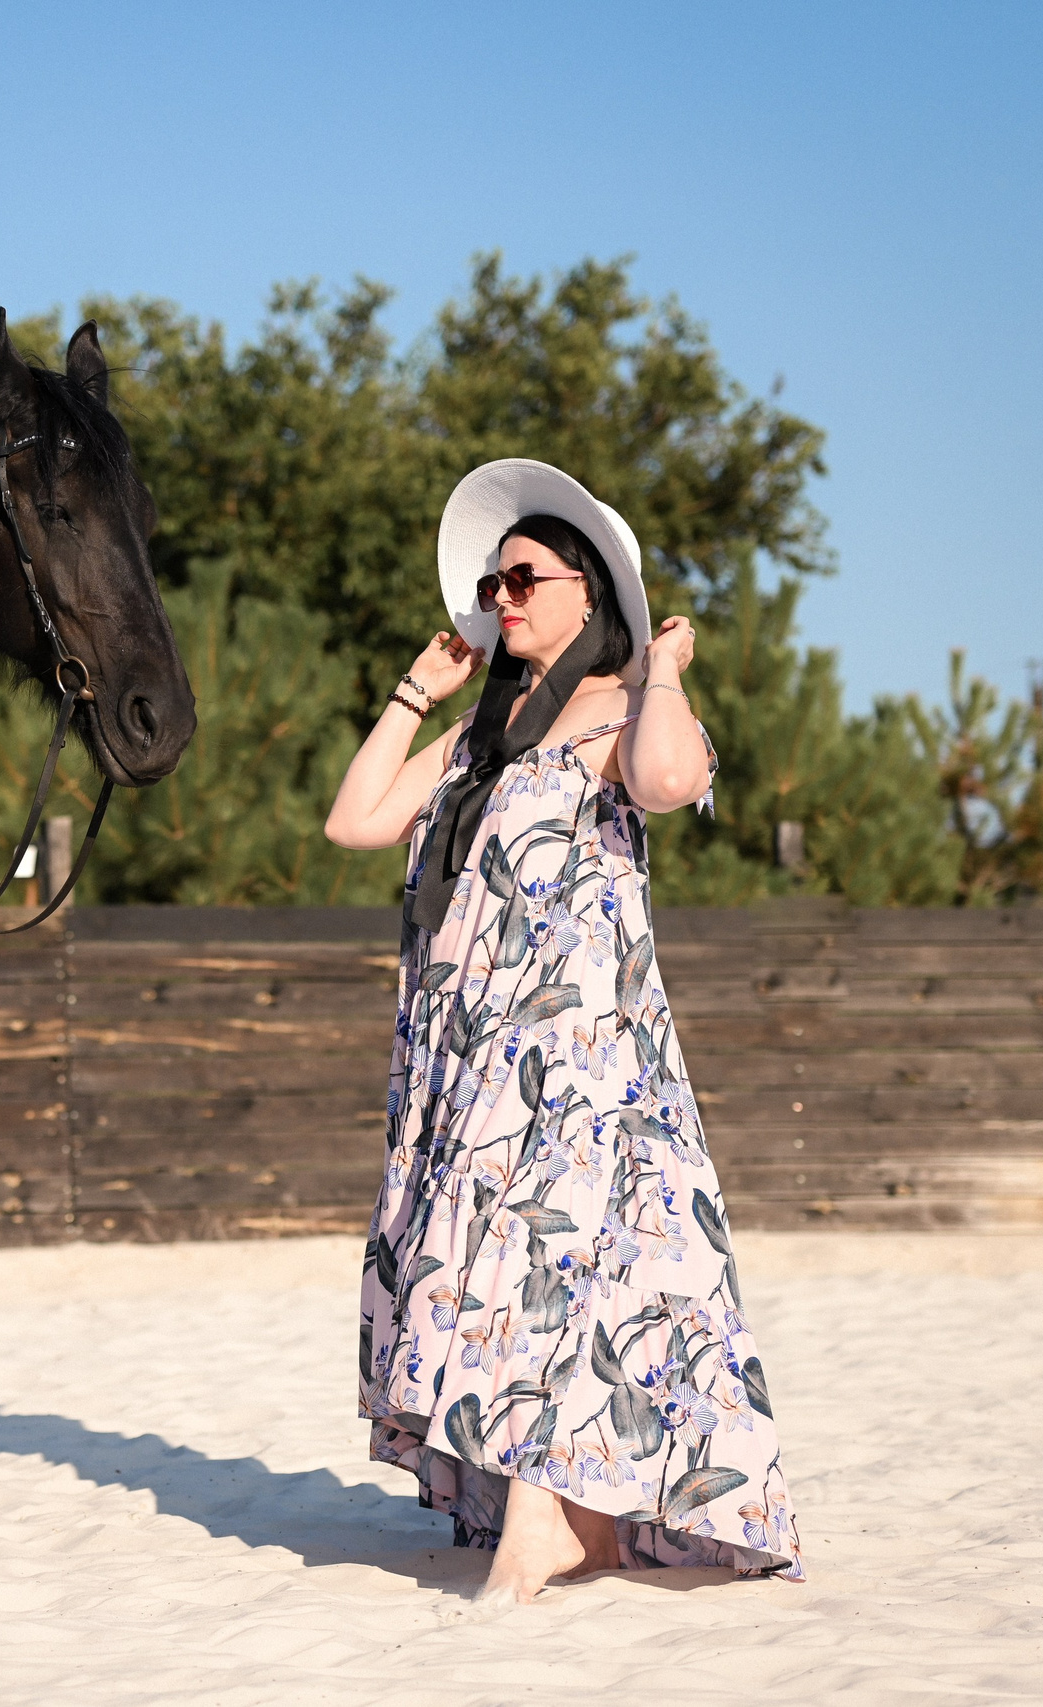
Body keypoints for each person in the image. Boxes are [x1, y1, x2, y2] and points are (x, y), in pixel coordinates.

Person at [325, 459, 803, 1600]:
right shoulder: (482, 736)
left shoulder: (620, 714)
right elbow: (355, 820)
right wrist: (415, 693)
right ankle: (569, 1520)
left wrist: (662, 669)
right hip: (462, 1048)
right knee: (502, 1270)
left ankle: (542, 1520)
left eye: (522, 580)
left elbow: (669, 778)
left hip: (574, 1054)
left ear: (589, 591)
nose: (500, 600)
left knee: (530, 1263)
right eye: (491, 585)